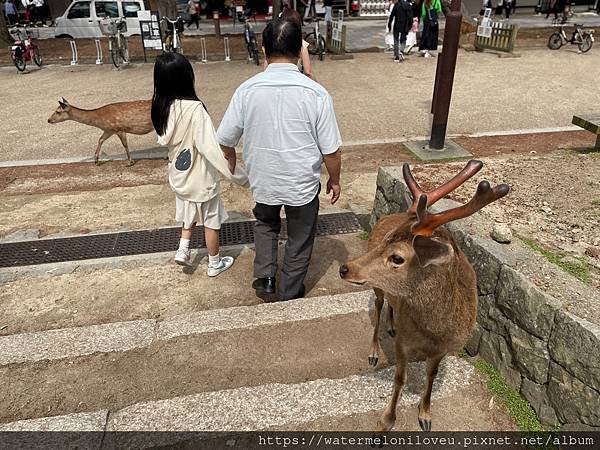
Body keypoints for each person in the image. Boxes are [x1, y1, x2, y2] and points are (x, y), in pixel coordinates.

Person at [217, 18, 342, 301]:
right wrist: (334, 179)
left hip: (264, 178)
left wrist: (231, 156)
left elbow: (225, 138)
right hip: (301, 182)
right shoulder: (316, 94)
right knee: (299, 235)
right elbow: (331, 151)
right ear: (300, 50)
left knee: (265, 222)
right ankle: (289, 289)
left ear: (263, 49)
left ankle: (266, 277)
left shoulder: (247, 90)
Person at [152, 52, 249, 274]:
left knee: (188, 212)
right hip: (201, 179)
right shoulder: (195, 109)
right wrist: (238, 175)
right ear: (187, 77)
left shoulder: (161, 107)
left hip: (179, 175)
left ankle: (183, 249)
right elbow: (210, 148)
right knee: (211, 221)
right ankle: (214, 263)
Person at [281, 4, 314, 80]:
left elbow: (266, 69)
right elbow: (308, 72)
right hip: (295, 82)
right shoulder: (301, 43)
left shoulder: (274, 42)